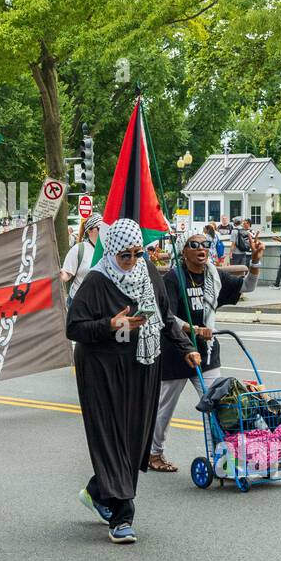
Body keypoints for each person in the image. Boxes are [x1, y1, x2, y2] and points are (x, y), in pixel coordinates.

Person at [69, 219, 198, 543]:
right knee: (112, 437)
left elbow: (165, 317)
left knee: (134, 438)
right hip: (102, 369)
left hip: (143, 363)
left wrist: (186, 348)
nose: (132, 260)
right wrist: (111, 325)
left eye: (138, 253)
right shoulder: (97, 281)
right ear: (112, 251)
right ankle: (122, 517)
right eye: (125, 255)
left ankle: (98, 492)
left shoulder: (147, 271)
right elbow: (74, 328)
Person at [149, 229, 260, 472]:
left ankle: (222, 455)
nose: (202, 248)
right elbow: (167, 317)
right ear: (183, 252)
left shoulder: (214, 276)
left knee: (219, 404)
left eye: (205, 244)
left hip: (207, 352)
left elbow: (248, 288)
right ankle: (154, 453)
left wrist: (255, 261)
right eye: (194, 244)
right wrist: (194, 329)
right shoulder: (174, 279)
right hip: (177, 351)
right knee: (164, 409)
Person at [61, 215, 102, 306]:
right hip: (79, 302)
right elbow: (67, 274)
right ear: (89, 231)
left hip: (99, 303)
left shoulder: (109, 250)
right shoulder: (79, 249)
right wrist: (60, 274)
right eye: (99, 228)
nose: (103, 230)